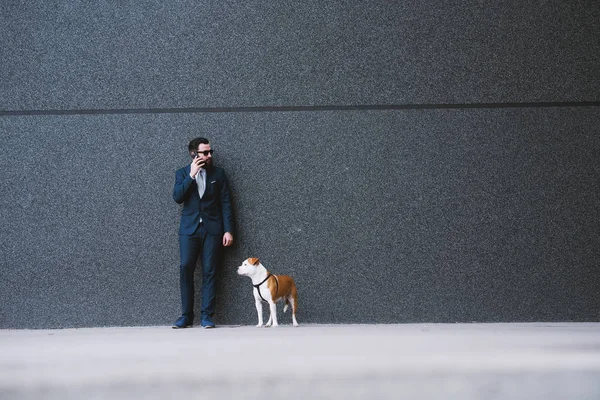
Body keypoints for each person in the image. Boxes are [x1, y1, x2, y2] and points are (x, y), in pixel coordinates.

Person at [172, 137, 234, 329]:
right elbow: (177, 197)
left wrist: (228, 230)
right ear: (194, 154)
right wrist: (191, 175)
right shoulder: (182, 173)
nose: (209, 156)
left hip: (212, 229)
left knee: (210, 271)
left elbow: (226, 203)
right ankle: (186, 316)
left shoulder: (219, 174)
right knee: (185, 269)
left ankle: (207, 316)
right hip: (188, 230)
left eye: (210, 152)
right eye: (205, 153)